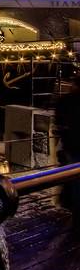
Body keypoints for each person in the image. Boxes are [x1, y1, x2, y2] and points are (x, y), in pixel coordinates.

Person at [55, 74, 80, 223]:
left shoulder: (66, 100)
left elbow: (60, 121)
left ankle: (75, 216)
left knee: (75, 181)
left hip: (73, 146)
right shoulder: (68, 101)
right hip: (73, 145)